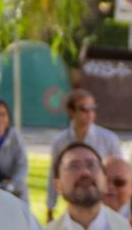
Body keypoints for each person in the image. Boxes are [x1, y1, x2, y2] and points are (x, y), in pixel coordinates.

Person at [46, 89, 122, 220]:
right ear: (71, 111)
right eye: (84, 109)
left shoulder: (109, 139)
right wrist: (50, 207)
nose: (89, 113)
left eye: (92, 108)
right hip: (74, 202)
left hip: (105, 206)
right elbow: (54, 174)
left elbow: (118, 175)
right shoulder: (60, 141)